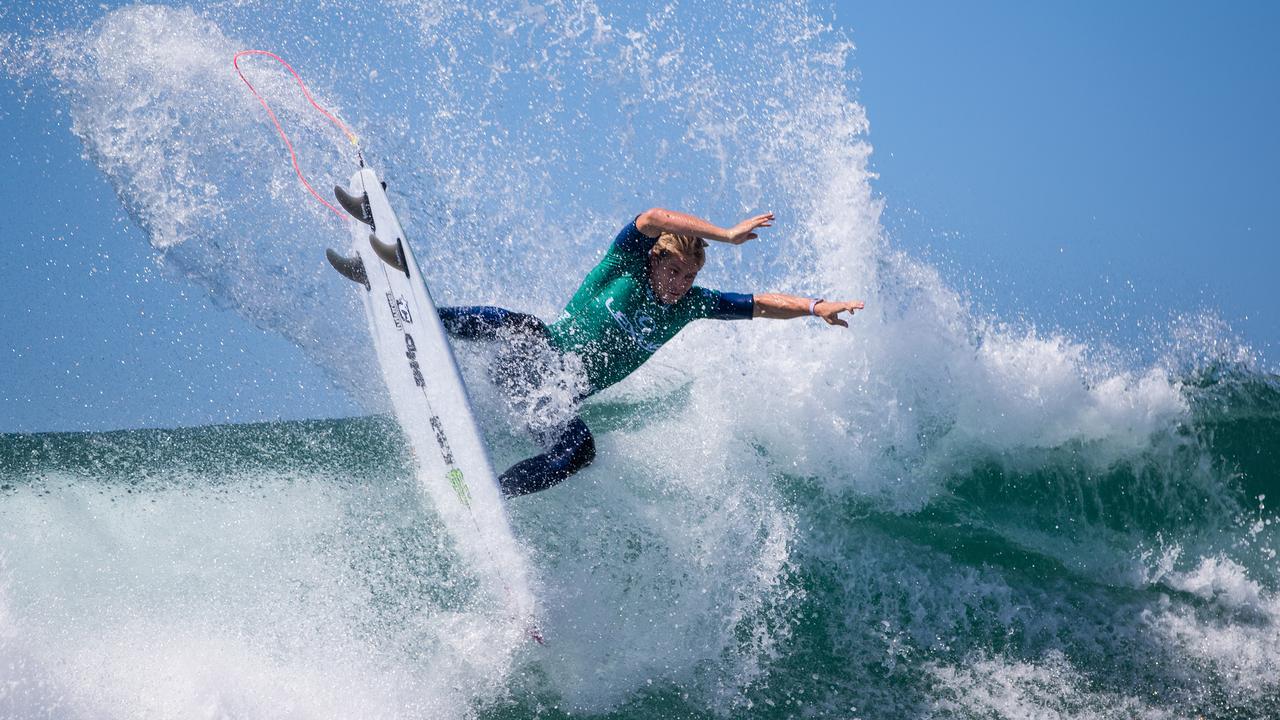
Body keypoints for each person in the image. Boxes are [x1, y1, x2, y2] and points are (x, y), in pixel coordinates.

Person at [438, 208, 865, 498]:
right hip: (529, 362)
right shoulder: (626, 263)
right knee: (527, 327)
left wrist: (815, 307)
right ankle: (434, 319)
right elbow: (653, 217)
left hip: (546, 401)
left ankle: (489, 494)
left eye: (689, 275)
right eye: (674, 270)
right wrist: (727, 235)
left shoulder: (690, 306)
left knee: (581, 449)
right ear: (656, 258)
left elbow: (759, 304)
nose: (680, 282)